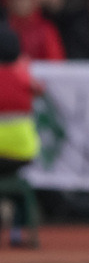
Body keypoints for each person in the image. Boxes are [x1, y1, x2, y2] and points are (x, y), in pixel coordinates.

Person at [0, 18, 42, 248]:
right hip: (22, 153)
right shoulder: (23, 76)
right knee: (21, 188)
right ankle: (17, 232)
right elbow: (40, 90)